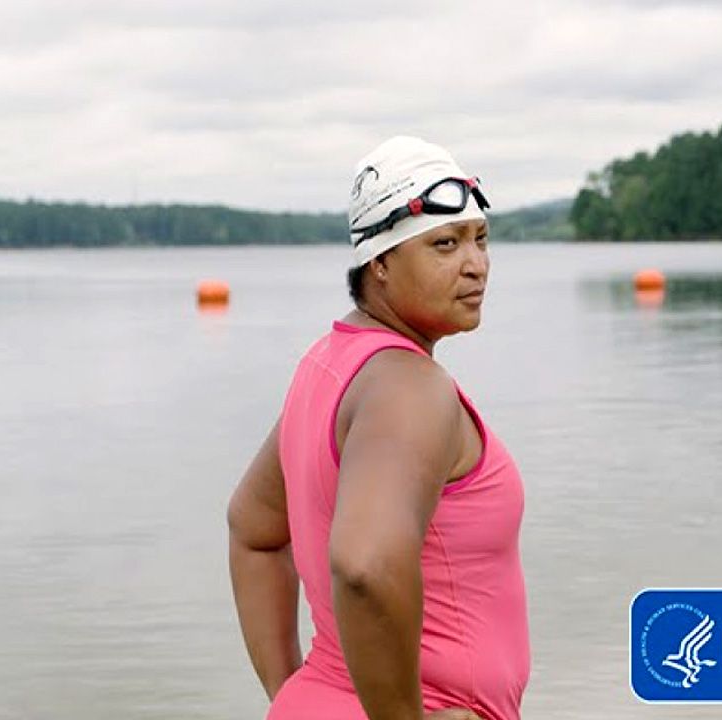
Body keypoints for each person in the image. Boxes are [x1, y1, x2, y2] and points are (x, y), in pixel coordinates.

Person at [227, 137, 530, 720]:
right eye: (445, 245)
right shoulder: (409, 388)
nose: (476, 264)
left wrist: (292, 692)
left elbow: (252, 529)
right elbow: (364, 564)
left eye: (480, 238)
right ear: (381, 263)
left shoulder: (329, 365)